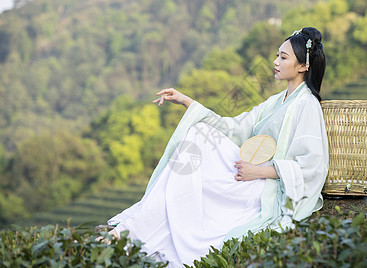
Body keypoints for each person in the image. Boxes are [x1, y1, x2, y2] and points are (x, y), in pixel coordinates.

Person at [106, 27, 329, 267]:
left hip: (267, 184)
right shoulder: (275, 102)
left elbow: (312, 167)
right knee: (199, 133)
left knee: (197, 172)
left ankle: (136, 232)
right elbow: (234, 128)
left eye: (283, 57)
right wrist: (186, 101)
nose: (275, 62)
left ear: (303, 66)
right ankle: (139, 226)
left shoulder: (307, 105)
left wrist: (261, 171)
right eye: (277, 55)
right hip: (251, 172)